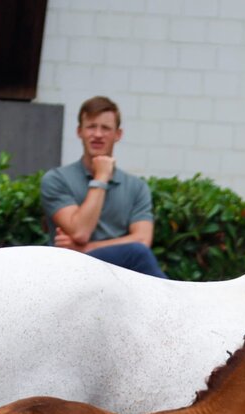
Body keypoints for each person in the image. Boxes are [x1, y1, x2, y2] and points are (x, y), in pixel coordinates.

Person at [39, 96, 166, 278]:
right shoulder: (56, 179)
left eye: (106, 128)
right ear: (79, 131)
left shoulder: (136, 187)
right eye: (91, 126)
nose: (98, 134)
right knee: (136, 253)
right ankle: (181, 305)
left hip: (120, 274)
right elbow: (81, 231)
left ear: (118, 135)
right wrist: (101, 177)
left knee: (137, 251)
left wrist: (85, 248)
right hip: (69, 272)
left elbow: (142, 239)